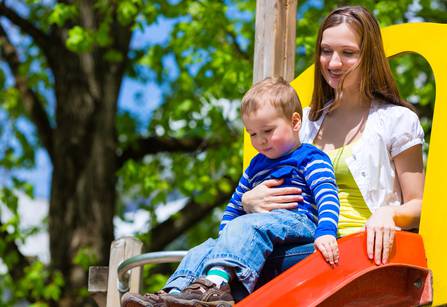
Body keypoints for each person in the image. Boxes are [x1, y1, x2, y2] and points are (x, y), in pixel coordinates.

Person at [121, 77, 341, 307]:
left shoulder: (309, 157)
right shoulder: (256, 165)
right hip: (260, 228)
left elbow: (326, 193)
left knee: (245, 225)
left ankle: (216, 287)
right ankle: (174, 293)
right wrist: (224, 238)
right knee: (204, 247)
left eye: (267, 130)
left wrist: (326, 231)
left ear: (295, 122)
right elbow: (235, 205)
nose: (260, 141)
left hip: (298, 223)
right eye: (252, 134)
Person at [242, 4, 424, 276]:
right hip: (302, 240)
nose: (334, 63)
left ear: (369, 56)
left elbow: (419, 205)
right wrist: (249, 201)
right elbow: (267, 177)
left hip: (358, 246)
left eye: (348, 53)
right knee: (224, 255)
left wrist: (390, 214)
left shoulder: (396, 120)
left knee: (246, 264)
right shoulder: (303, 124)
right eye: (326, 51)